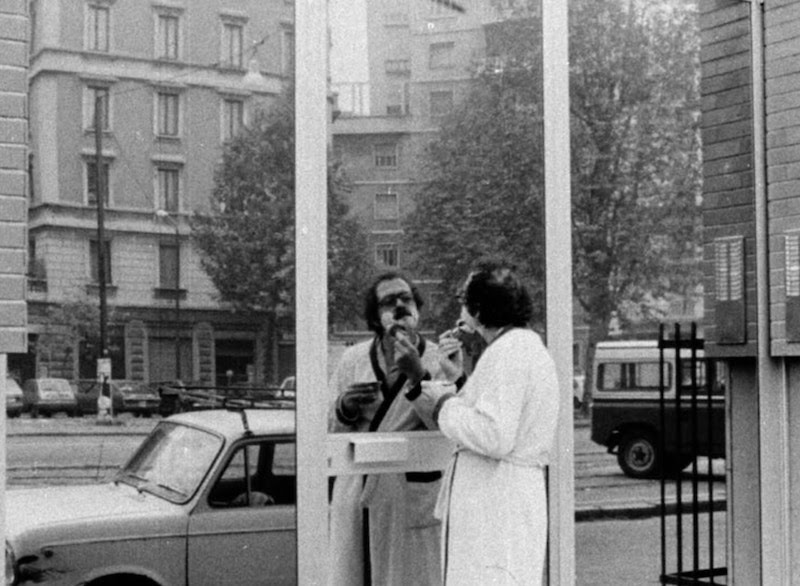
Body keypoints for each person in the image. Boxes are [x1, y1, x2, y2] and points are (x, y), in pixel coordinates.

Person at [406, 259, 560, 585]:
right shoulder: (521, 347)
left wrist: (443, 405)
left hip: (495, 503)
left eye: (464, 299)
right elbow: (500, 417)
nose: (461, 307)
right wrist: (458, 379)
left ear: (478, 308)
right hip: (506, 498)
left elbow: (494, 435)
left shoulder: (508, 352)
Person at [328, 271, 462, 586]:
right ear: (376, 317)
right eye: (389, 301)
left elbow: (448, 426)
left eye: (406, 298)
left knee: (407, 577)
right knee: (356, 572)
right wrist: (346, 406)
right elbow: (328, 425)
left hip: (409, 491)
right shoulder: (353, 359)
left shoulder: (439, 359)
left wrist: (418, 377)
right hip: (357, 485)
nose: (400, 306)